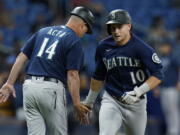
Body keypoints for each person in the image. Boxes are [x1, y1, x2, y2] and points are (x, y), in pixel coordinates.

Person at [0, 6, 94, 135]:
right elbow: (72, 75)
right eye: (86, 30)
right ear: (82, 25)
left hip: (29, 87)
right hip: (51, 89)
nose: (84, 34)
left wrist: (9, 83)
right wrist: (77, 103)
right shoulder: (74, 40)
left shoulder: (43, 31)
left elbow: (21, 57)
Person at [83, 9, 163, 135]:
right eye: (112, 27)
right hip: (112, 99)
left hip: (137, 103)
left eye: (119, 27)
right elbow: (98, 77)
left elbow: (158, 74)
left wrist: (138, 92)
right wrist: (89, 102)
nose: (115, 31)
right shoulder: (103, 46)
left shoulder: (141, 48)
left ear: (129, 26)